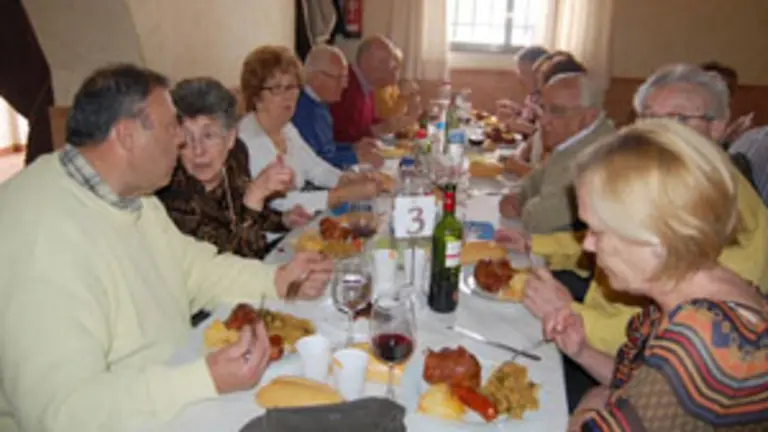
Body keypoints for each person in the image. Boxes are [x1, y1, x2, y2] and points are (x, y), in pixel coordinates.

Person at [0, 64, 334, 432]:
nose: (180, 141)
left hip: (171, 394)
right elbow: (62, 413)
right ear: (127, 135)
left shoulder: (132, 198)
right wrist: (202, 380)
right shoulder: (42, 238)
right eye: (171, 126)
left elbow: (193, 269)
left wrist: (279, 280)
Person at [496, 64, 768, 411]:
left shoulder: (726, 223)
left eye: (679, 119)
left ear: (718, 127)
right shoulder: (670, 197)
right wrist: (539, 246)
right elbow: (636, 374)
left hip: (609, 338)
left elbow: (665, 365)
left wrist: (570, 313)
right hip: (606, 346)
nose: (657, 132)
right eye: (648, 118)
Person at [546, 119, 767, 431]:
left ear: (656, 238)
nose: (588, 245)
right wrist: (583, 353)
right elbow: (651, 393)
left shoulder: (703, 339)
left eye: (598, 231)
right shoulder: (712, 289)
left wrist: (591, 405)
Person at [157, 77, 313, 260]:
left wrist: (283, 220)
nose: (197, 151)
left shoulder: (236, 155)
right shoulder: (172, 192)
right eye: (186, 138)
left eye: (208, 136)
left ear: (230, 138)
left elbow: (240, 210)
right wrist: (256, 194)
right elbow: (235, 260)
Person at [238, 45, 385, 213]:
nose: (288, 96)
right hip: (272, 235)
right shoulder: (247, 139)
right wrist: (341, 194)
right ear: (256, 96)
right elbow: (278, 203)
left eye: (292, 87)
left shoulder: (286, 128)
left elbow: (315, 168)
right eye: (277, 89)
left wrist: (348, 179)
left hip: (297, 223)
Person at [498, 73, 614, 233]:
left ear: (589, 117)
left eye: (557, 111)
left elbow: (540, 220)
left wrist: (520, 204)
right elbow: (536, 178)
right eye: (543, 108)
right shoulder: (573, 140)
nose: (544, 120)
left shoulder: (599, 152)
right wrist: (518, 195)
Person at [292, 44, 383, 170]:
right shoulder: (301, 111)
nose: (345, 85)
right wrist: (355, 157)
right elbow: (315, 162)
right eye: (339, 77)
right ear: (317, 78)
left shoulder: (320, 103)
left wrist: (353, 147)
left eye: (345, 77)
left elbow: (327, 148)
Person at [330, 34, 416, 143]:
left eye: (389, 62)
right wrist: (378, 129)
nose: (389, 68)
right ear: (365, 61)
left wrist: (393, 123)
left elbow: (369, 122)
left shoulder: (367, 85)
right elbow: (340, 137)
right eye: (382, 61)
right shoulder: (344, 85)